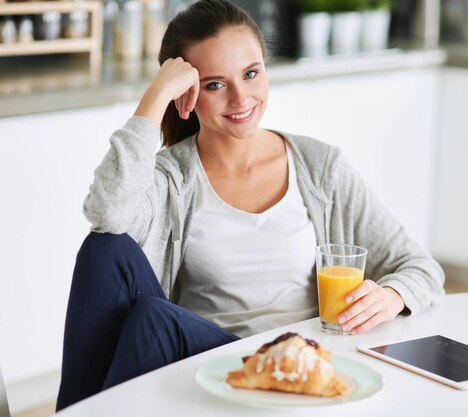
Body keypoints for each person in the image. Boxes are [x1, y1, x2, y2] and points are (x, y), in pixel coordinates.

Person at [55, 0, 445, 411]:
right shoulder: (170, 178)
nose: (241, 98)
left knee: (151, 320)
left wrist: (391, 295)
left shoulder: (319, 167)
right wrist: (154, 97)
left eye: (251, 73)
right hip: (202, 355)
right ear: (186, 93)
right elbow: (107, 213)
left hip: (292, 358)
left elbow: (420, 267)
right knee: (105, 249)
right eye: (215, 84)